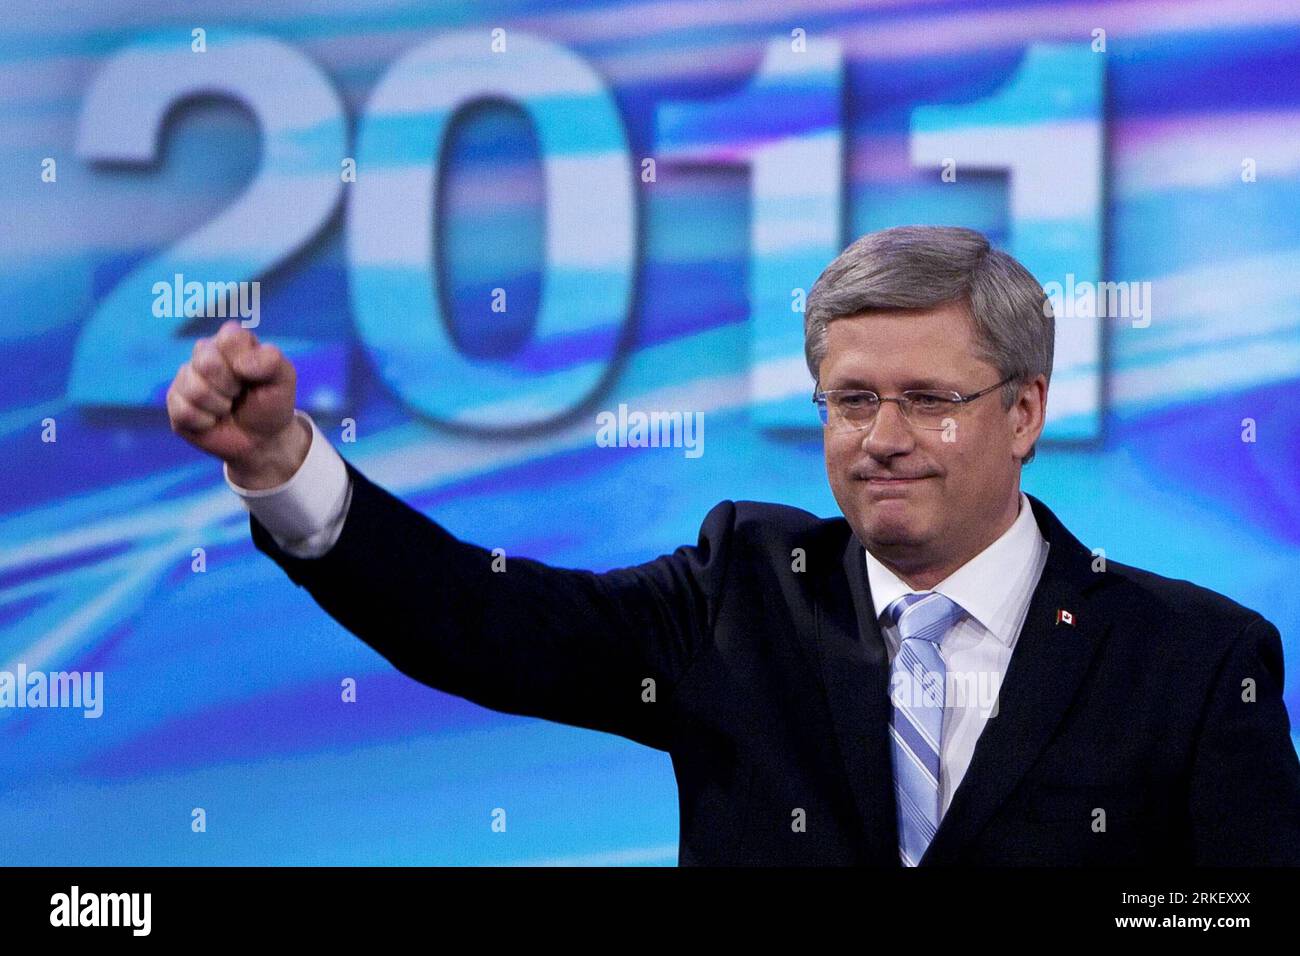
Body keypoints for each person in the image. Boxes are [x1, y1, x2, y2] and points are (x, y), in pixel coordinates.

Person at [166, 225, 1300, 865]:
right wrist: (280, 466)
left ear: (1024, 412)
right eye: (850, 401)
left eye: (928, 399)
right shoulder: (739, 595)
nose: (883, 440)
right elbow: (483, 619)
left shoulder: (1190, 657)